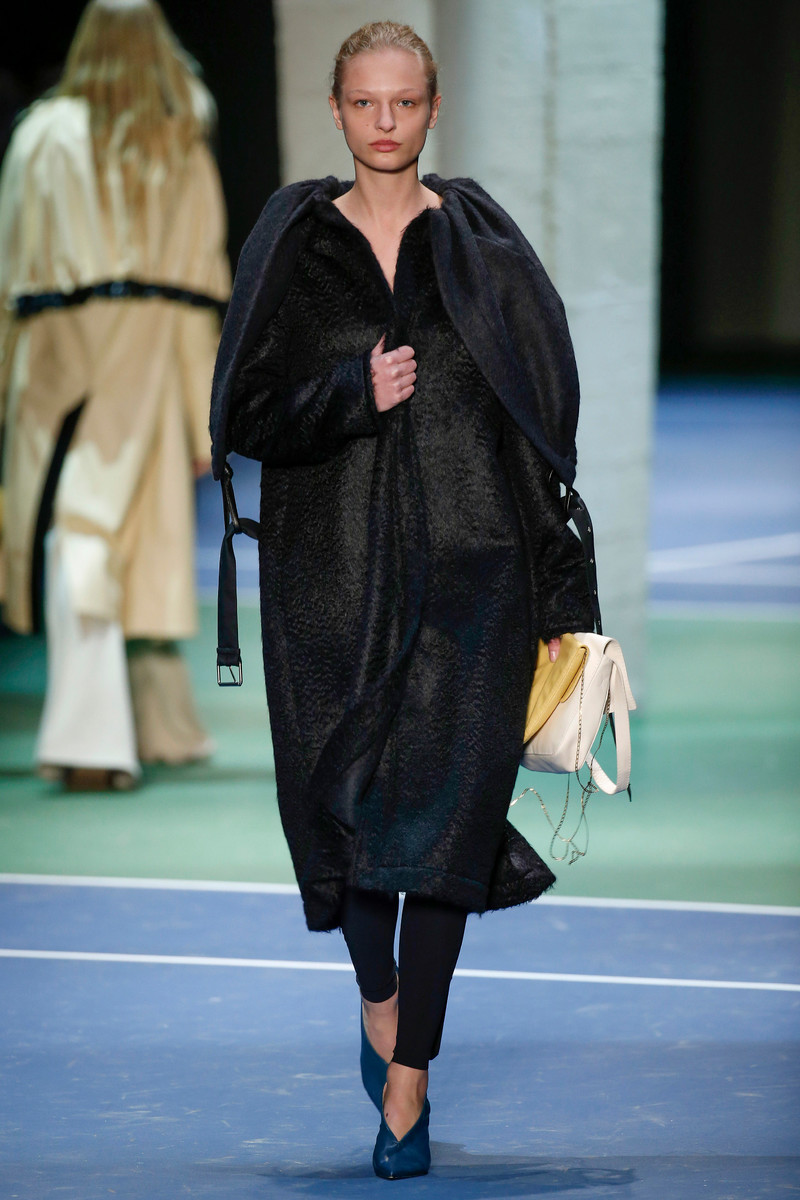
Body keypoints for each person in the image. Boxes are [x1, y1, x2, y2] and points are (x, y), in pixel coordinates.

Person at [210, 20, 595, 1180]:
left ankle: (410, 1073)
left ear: (432, 109)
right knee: (342, 818)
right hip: (326, 582)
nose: (385, 122)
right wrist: (350, 389)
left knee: (442, 833)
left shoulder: (481, 249)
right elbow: (243, 415)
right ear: (337, 110)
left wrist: (561, 596)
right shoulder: (296, 248)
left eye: (404, 102)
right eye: (364, 102)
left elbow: (535, 429)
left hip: (475, 578)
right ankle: (377, 996)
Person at [0, 0, 230, 789]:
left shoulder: (41, 135)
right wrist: (205, 413)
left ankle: (111, 734)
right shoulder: (179, 136)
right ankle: (140, 729)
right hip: (151, 352)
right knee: (124, 534)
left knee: (82, 529)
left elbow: (10, 261)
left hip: (57, 349)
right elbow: (201, 277)